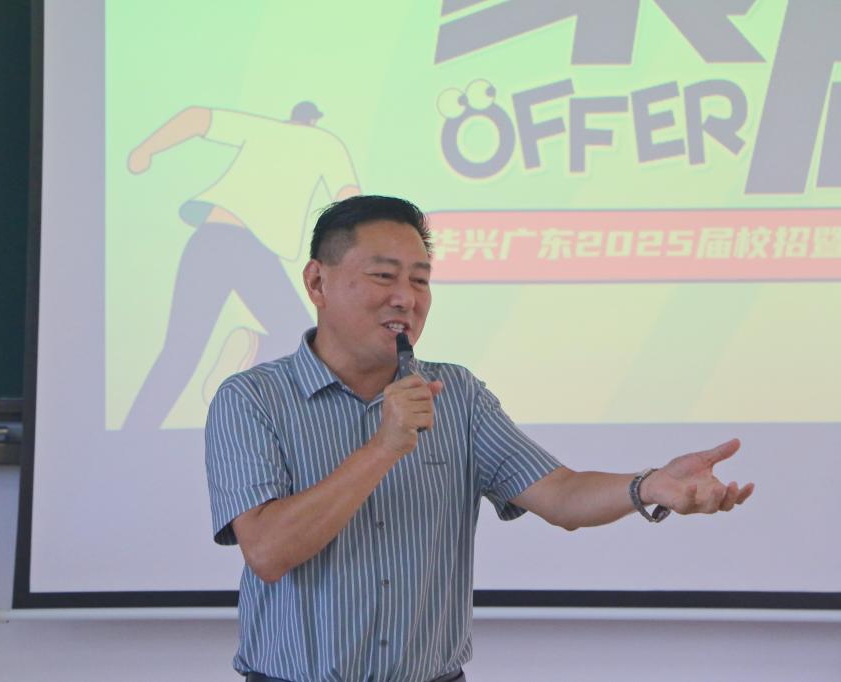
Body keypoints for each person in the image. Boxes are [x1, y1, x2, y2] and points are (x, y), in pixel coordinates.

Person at [205, 195, 754, 682]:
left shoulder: (457, 394)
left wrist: (648, 486)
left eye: (420, 280)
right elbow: (268, 552)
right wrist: (383, 447)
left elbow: (560, 494)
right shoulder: (252, 399)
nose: (406, 298)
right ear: (316, 282)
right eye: (383, 276)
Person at [123, 102, 360, 431]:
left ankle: (132, 434)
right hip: (249, 249)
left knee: (180, 350)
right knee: (308, 343)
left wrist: (144, 151)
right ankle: (254, 346)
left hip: (208, 239)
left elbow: (197, 117)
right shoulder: (326, 143)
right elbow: (351, 199)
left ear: (291, 118)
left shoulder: (264, 129)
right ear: (314, 122)